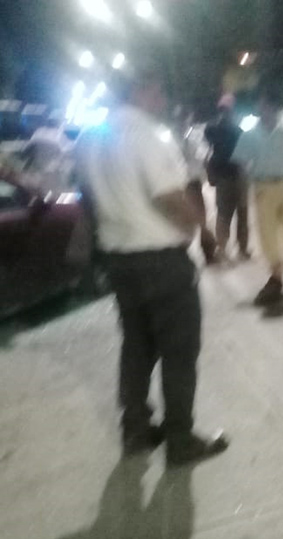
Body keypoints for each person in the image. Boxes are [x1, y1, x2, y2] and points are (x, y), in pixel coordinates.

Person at [76, 63, 228, 465]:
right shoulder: (145, 134)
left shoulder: (90, 138)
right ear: (142, 90)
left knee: (137, 347)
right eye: (158, 92)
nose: (162, 101)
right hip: (160, 260)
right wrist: (204, 230)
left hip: (119, 261)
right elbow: (167, 195)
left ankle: (136, 430)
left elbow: (87, 196)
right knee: (179, 351)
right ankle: (180, 439)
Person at [231, 88, 283, 311]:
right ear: (259, 108)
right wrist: (245, 189)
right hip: (264, 188)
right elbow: (240, 165)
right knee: (267, 233)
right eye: (263, 105)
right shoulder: (249, 135)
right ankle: (277, 276)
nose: (266, 110)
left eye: (270, 106)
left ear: (276, 109)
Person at [204, 95, 250, 261]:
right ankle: (231, 249)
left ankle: (233, 249)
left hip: (233, 176)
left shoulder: (214, 130)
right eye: (225, 111)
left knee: (231, 214)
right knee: (229, 214)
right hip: (231, 176)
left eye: (227, 111)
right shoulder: (230, 130)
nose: (226, 114)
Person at [180, 111, 218, 263]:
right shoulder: (180, 139)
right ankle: (203, 253)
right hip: (185, 184)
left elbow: (204, 156)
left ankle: (207, 253)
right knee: (196, 219)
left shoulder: (192, 138)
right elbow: (204, 155)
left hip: (190, 183)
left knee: (197, 219)